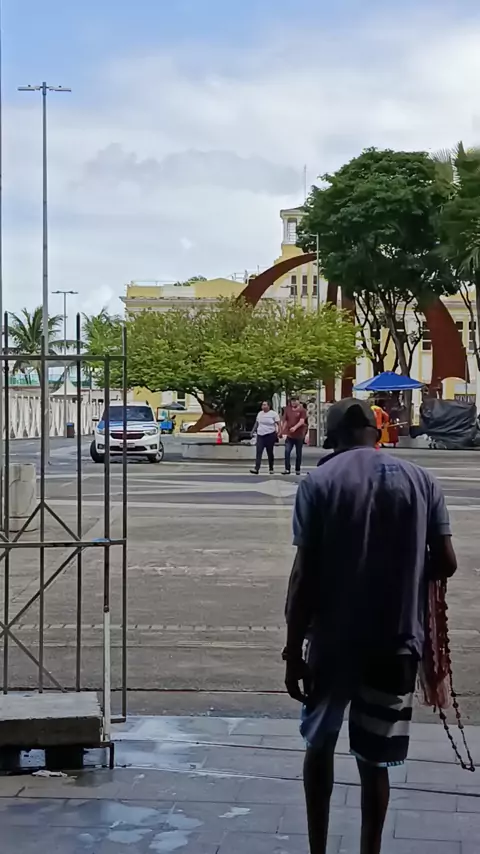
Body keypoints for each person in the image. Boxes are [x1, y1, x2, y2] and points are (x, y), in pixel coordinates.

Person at [283, 398, 457, 854]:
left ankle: (318, 848)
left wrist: (292, 652)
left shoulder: (318, 483)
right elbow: (446, 562)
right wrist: (402, 566)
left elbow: (303, 577)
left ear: (334, 438)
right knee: (374, 760)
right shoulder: (422, 481)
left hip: (333, 643)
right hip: (397, 642)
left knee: (319, 745)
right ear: (375, 432)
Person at [250, 401, 280, 475]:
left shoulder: (273, 414)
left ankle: (271, 468)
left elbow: (278, 423)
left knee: (269, 452)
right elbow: (257, 423)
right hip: (260, 434)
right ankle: (256, 468)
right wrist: (253, 431)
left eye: (264, 405)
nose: (263, 406)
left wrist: (279, 432)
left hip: (270, 434)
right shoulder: (260, 413)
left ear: (269, 406)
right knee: (259, 451)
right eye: (262, 405)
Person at [281, 396, 308, 476]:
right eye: (292, 401)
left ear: (298, 401)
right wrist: (282, 431)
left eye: (295, 401)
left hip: (299, 435)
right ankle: (287, 469)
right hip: (290, 435)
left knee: (298, 453)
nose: (293, 402)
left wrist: (295, 427)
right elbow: (285, 421)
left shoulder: (302, 411)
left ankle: (297, 469)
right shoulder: (288, 410)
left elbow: (302, 421)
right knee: (287, 451)